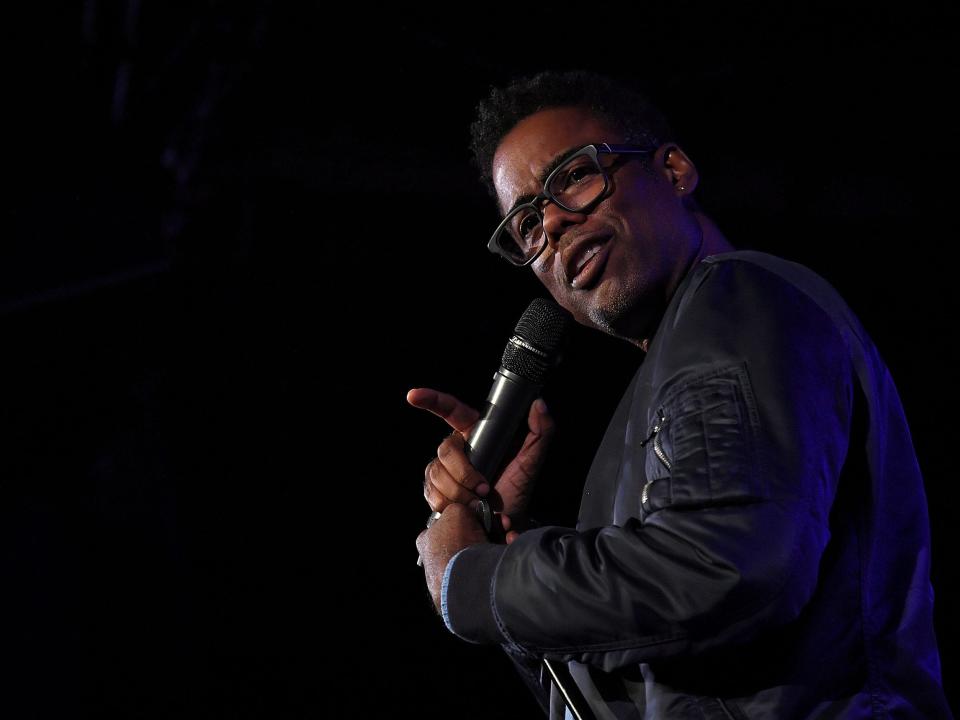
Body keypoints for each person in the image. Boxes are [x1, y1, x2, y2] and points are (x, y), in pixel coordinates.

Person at [410, 70, 953, 719]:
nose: (551, 222)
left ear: (673, 170)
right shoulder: (669, 367)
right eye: (525, 222)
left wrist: (469, 581)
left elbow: (721, 568)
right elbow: (636, 683)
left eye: (575, 177)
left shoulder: (733, 299)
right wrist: (503, 538)